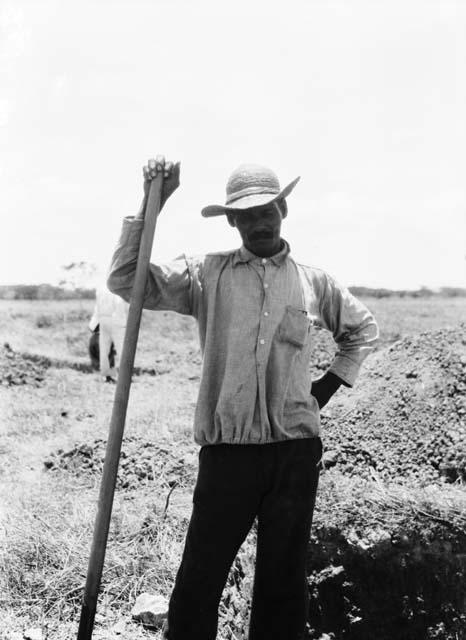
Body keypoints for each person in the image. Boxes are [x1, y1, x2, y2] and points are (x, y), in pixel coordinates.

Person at [107, 157, 379, 640]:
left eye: (267, 211)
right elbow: (126, 279)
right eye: (247, 215)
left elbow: (361, 331)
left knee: (282, 585)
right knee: (198, 582)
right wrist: (154, 202)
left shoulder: (313, 282)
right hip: (228, 454)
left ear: (284, 210)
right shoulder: (205, 276)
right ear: (231, 221)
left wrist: (324, 388)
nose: (259, 222)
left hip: (294, 453)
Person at [88, 284, 128, 382]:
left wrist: (93, 324)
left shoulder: (101, 290)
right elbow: (119, 306)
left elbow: (97, 309)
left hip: (103, 320)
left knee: (105, 351)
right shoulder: (116, 290)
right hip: (114, 320)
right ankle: (124, 376)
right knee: (121, 350)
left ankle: (107, 376)